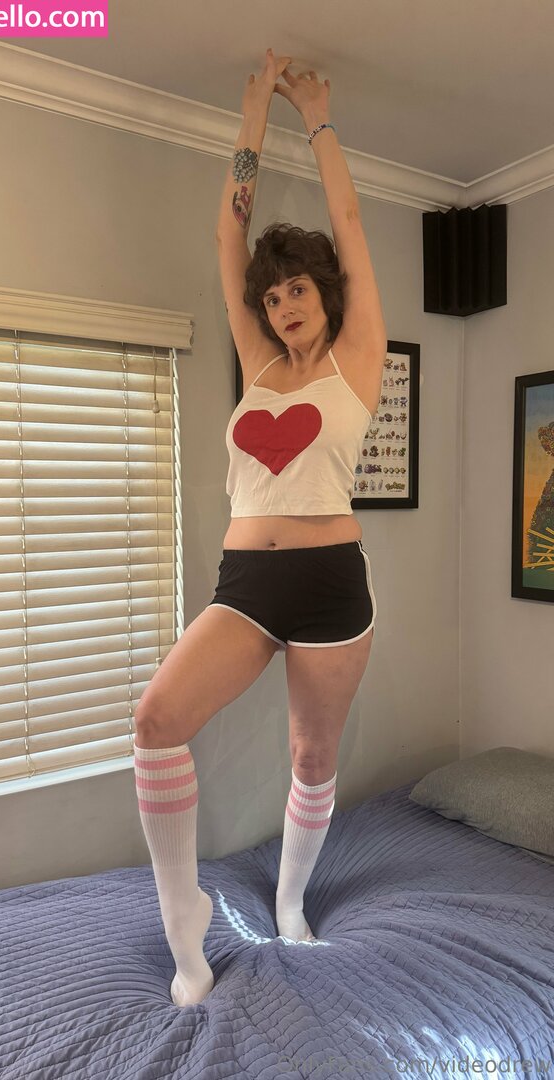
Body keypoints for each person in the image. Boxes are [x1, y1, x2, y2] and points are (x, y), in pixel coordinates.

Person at [133, 48, 387, 1008]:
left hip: (331, 587)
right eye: (272, 298)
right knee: (156, 720)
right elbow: (226, 235)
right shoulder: (258, 362)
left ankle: (288, 901)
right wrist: (250, 113)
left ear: (326, 292)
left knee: (311, 759)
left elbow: (350, 224)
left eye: (297, 292)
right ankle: (184, 925)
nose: (283, 308)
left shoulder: (356, 359)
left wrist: (313, 114)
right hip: (244, 586)